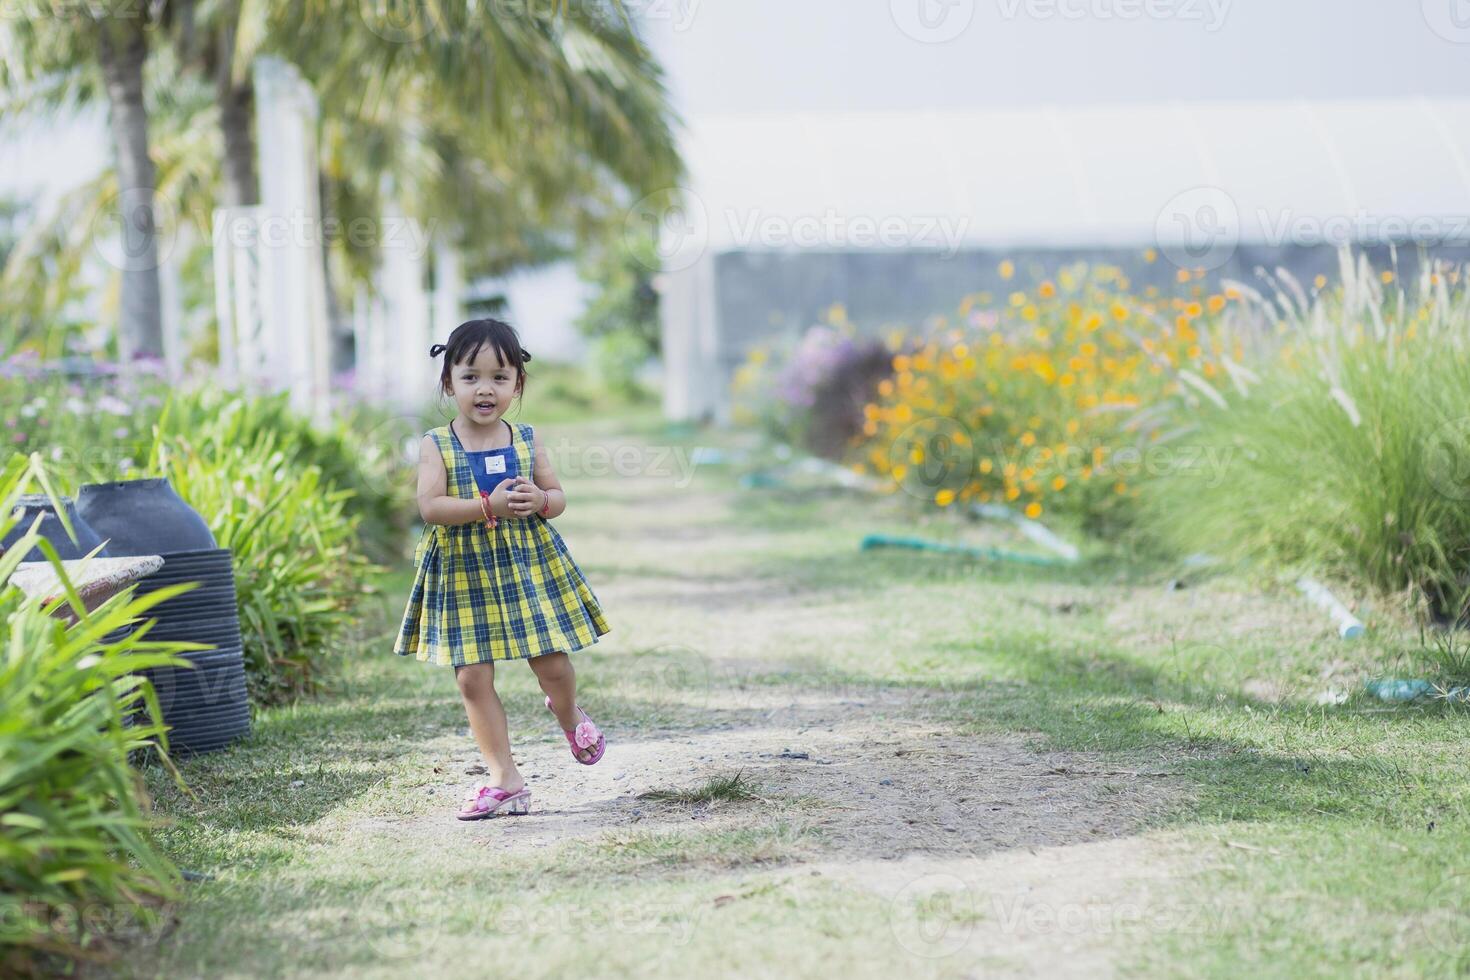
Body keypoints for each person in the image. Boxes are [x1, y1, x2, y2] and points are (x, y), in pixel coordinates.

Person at [393, 318, 611, 821]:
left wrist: (541, 499)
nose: (484, 388)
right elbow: (430, 507)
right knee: (471, 677)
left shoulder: (526, 438)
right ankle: (504, 779)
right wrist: (485, 507)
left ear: (517, 384)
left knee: (551, 663)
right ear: (449, 383)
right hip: (463, 570)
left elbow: (556, 497)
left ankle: (569, 713)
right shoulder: (436, 444)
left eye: (499, 376)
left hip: (524, 564)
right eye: (470, 377)